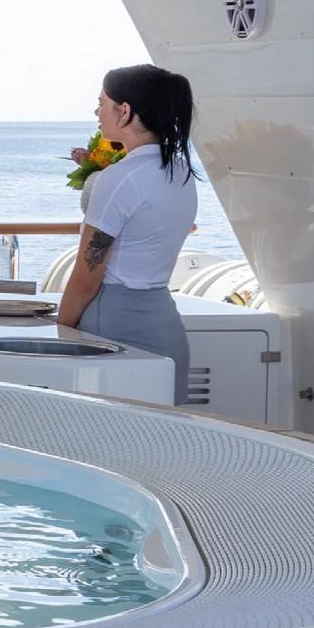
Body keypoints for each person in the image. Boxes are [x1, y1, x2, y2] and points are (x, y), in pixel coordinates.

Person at [56, 64, 198, 404]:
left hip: (116, 330)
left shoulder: (118, 178)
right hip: (165, 326)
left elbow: (87, 277)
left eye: (101, 103)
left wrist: (61, 328)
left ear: (124, 111)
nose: (96, 112)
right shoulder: (181, 173)